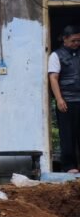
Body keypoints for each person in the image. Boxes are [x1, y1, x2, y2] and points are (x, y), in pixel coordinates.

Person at [48, 25, 80, 173]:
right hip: (66, 101)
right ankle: (69, 167)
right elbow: (53, 78)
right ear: (65, 39)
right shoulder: (56, 55)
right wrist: (59, 99)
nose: (76, 43)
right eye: (73, 40)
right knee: (67, 135)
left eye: (79, 40)